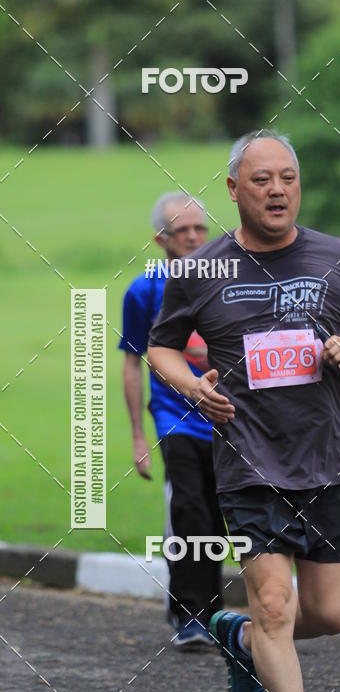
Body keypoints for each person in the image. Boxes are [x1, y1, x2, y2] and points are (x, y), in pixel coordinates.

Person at [147, 132, 340, 692]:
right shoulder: (200, 271)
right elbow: (160, 348)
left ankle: (242, 639)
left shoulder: (337, 257)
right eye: (262, 180)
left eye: (288, 177)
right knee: (276, 605)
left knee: (333, 613)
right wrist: (192, 387)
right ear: (234, 190)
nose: (277, 189)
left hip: (328, 458)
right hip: (249, 462)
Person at [119, 192, 225, 649]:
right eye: (183, 231)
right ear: (161, 239)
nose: (195, 237)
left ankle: (213, 614)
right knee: (189, 511)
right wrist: (138, 436)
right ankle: (189, 615)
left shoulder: (225, 280)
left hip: (226, 419)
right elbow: (131, 364)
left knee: (219, 514)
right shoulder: (144, 291)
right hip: (175, 419)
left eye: (201, 228)